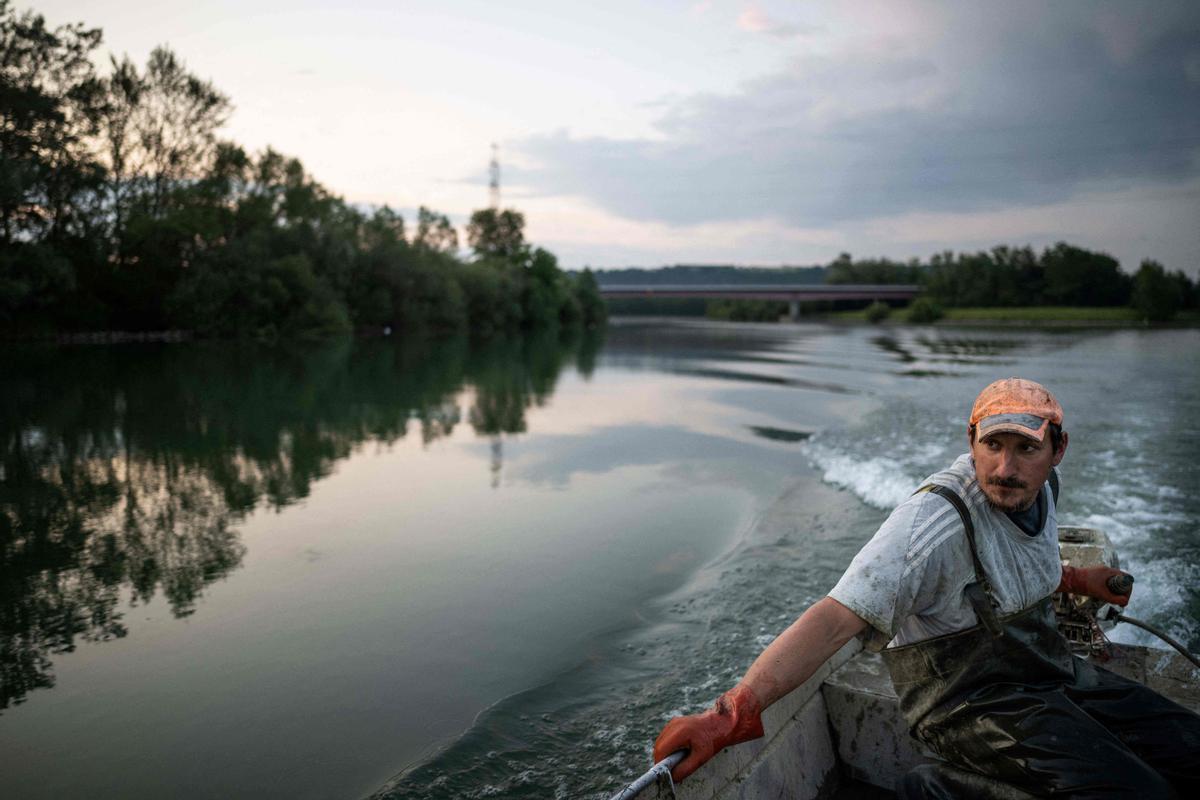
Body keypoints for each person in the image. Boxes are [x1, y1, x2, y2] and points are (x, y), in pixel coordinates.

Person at [653, 378, 1200, 798]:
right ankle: (939, 789)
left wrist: (1078, 579)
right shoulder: (931, 526)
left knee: (1187, 747)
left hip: (1049, 671)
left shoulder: (1044, 489)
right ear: (971, 440)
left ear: (1056, 451)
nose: (1006, 468)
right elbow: (834, 618)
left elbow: (1018, 564)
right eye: (993, 446)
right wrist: (731, 714)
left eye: (1026, 450)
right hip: (969, 705)